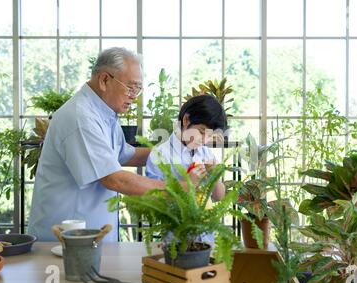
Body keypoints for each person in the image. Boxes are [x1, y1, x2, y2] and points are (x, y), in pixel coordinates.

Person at [28, 47, 194, 242]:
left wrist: (177, 151)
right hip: (64, 241)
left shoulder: (105, 113)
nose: (134, 96)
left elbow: (126, 155)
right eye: (131, 87)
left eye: (138, 89)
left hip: (91, 237)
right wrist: (180, 188)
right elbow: (114, 179)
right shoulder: (80, 117)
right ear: (104, 80)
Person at [145, 94, 228, 243]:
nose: (204, 140)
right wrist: (188, 184)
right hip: (176, 242)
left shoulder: (206, 152)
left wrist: (215, 176)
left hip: (207, 240)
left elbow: (219, 197)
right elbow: (153, 200)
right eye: (201, 132)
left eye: (210, 136)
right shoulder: (161, 154)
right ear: (186, 120)